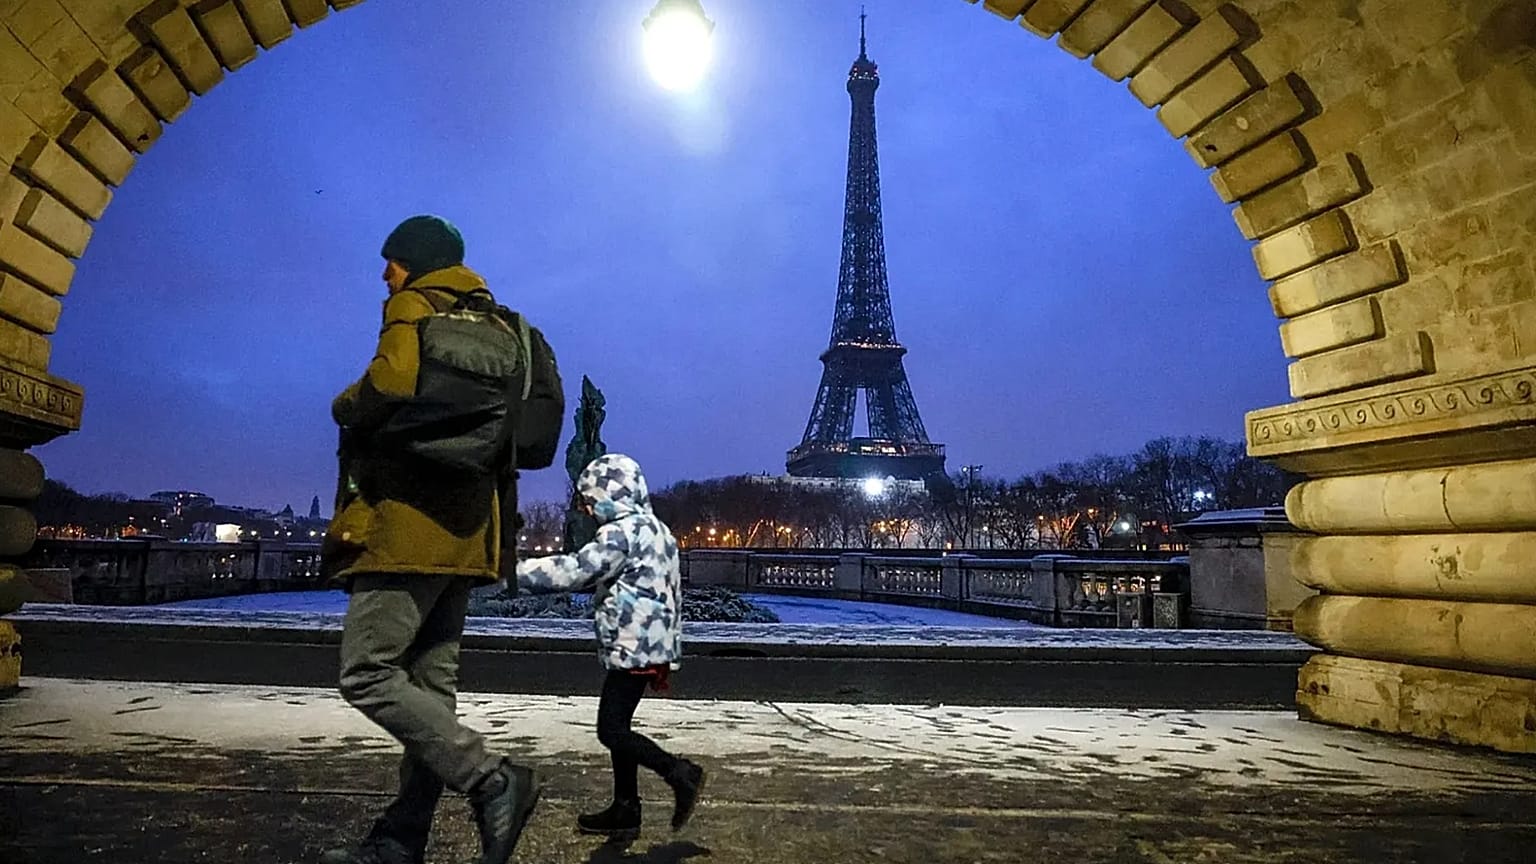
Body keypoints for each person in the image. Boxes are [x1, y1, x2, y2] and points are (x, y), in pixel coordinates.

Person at [321, 214, 563, 864]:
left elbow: (390, 384)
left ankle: (491, 778)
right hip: (472, 533)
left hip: (406, 523)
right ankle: (401, 840)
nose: (385, 271)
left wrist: (343, 405)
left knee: (367, 672)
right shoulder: (507, 324)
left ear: (418, 263)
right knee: (431, 691)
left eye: (392, 259)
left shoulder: (412, 305)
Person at [516, 454, 706, 841]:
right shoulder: (658, 529)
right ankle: (626, 807)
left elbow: (576, 570)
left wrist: (512, 571)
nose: (586, 508)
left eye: (589, 499)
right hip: (651, 643)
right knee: (620, 726)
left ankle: (679, 772)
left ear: (608, 494)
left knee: (611, 730)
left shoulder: (621, 533)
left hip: (633, 646)